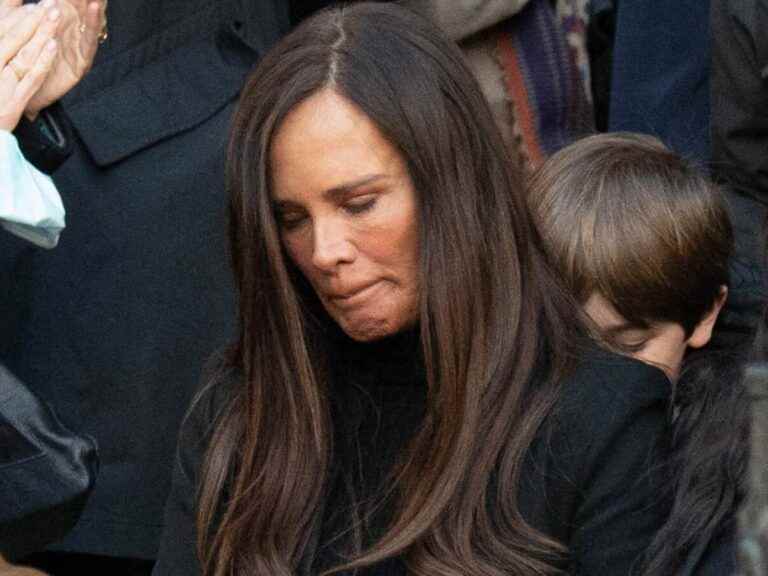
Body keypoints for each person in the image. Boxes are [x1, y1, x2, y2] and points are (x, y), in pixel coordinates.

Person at [153, 5, 671, 575]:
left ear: (452, 185)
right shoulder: (246, 407)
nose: (325, 251)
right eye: (292, 218)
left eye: (359, 204)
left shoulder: (600, 415)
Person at [527, 132, 745, 575]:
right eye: (563, 343)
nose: (593, 380)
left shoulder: (724, 479)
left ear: (705, 314)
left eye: (626, 346)